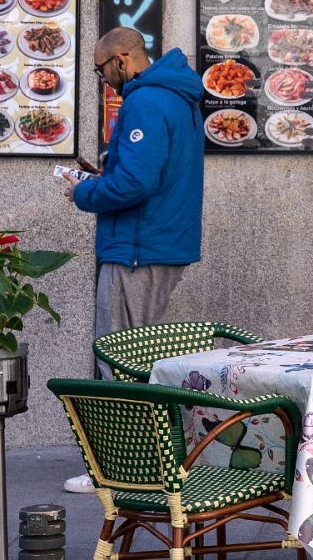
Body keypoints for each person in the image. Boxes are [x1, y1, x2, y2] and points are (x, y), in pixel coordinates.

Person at [60, 27, 205, 491]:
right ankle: (158, 461)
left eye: (102, 70)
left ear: (122, 60)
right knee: (142, 356)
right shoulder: (178, 97)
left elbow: (135, 185)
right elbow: (145, 174)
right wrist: (108, 174)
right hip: (161, 242)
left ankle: (128, 470)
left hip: (139, 250)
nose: (103, 81)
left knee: (119, 357)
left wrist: (84, 192)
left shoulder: (145, 100)